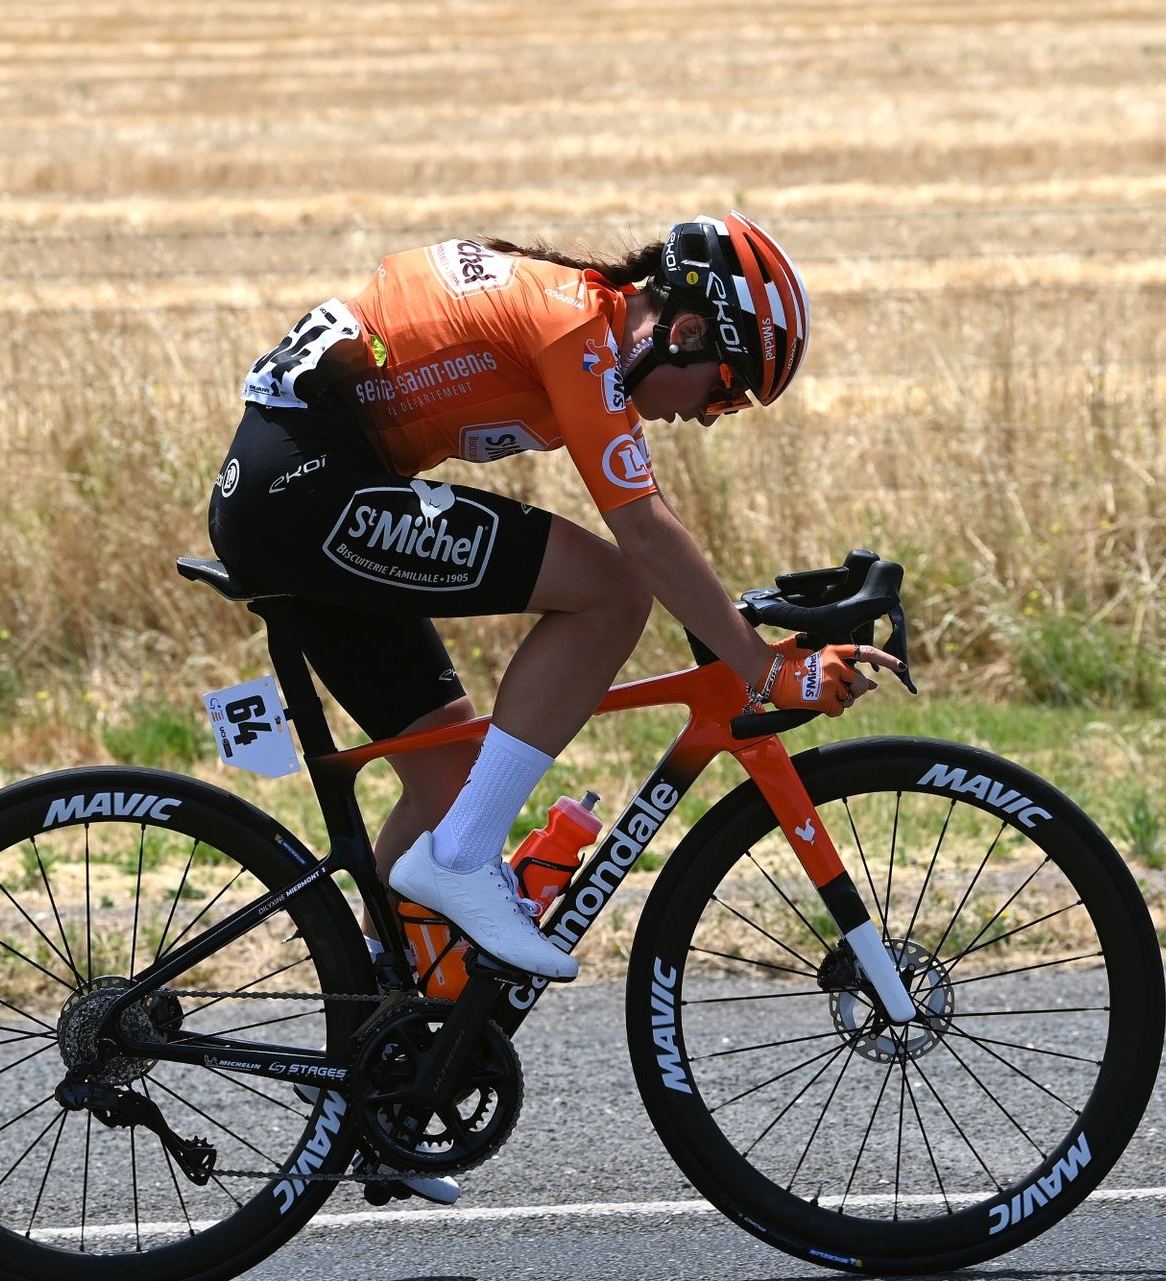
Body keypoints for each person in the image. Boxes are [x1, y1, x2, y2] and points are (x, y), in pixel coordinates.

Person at [208, 212, 903, 984]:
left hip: (299, 490)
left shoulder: (584, 321)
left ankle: (377, 994)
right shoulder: (573, 328)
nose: (710, 414)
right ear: (685, 332)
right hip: (303, 491)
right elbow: (643, 535)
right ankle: (463, 860)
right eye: (728, 388)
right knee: (613, 592)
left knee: (452, 773)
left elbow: (654, 520)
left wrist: (745, 641)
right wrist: (766, 670)